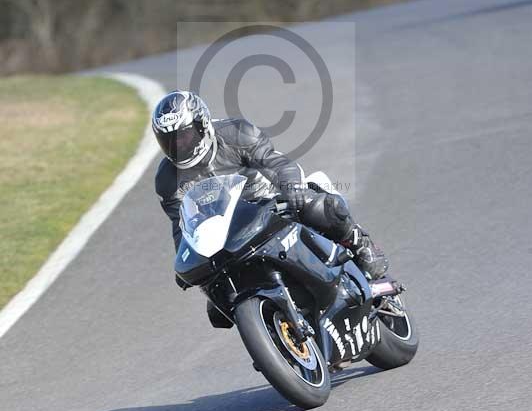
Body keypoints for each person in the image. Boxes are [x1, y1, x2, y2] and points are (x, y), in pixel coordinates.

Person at [153, 90, 388, 282]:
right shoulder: (167, 179)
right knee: (212, 292)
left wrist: (292, 187)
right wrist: (185, 262)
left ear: (202, 125)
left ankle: (359, 243)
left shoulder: (236, 133)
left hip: (271, 201)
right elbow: (181, 226)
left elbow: (276, 163)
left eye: (184, 136)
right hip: (227, 228)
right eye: (169, 140)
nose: (179, 145)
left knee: (316, 207)